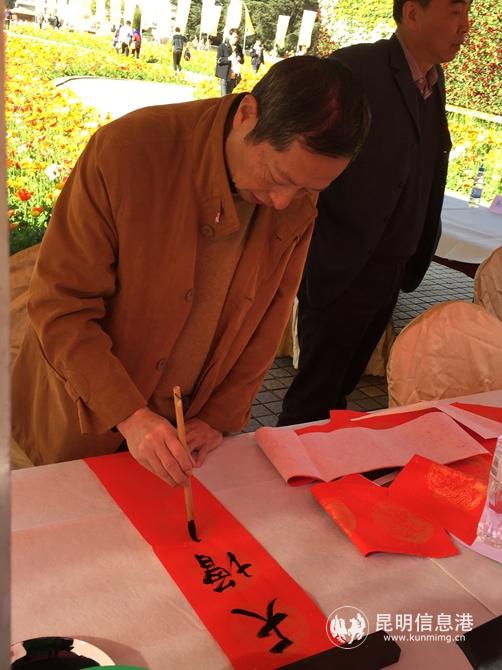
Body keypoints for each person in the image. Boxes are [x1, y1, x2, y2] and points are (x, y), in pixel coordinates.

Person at [11, 56, 369, 487]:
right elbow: (61, 305)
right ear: (247, 115)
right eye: (277, 176)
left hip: (185, 427)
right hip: (83, 413)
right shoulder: (128, 151)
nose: (282, 202)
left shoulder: (295, 192)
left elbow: (270, 315)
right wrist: (130, 414)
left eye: (309, 189)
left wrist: (219, 416)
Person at [278, 0, 471, 427]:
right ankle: (286, 459)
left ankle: (326, 460)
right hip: (341, 263)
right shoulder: (354, 69)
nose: (466, 26)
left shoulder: (433, 81)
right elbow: (300, 162)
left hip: (391, 267)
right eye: (455, 12)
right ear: (413, 13)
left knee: (343, 385)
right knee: (312, 395)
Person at [216, 28, 244, 96]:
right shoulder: (222, 46)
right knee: (224, 97)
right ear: (230, 36)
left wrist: (240, 59)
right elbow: (218, 60)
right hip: (224, 75)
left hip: (234, 76)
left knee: (229, 97)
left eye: (237, 37)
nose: (236, 39)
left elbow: (242, 61)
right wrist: (228, 58)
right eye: (234, 37)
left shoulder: (239, 47)